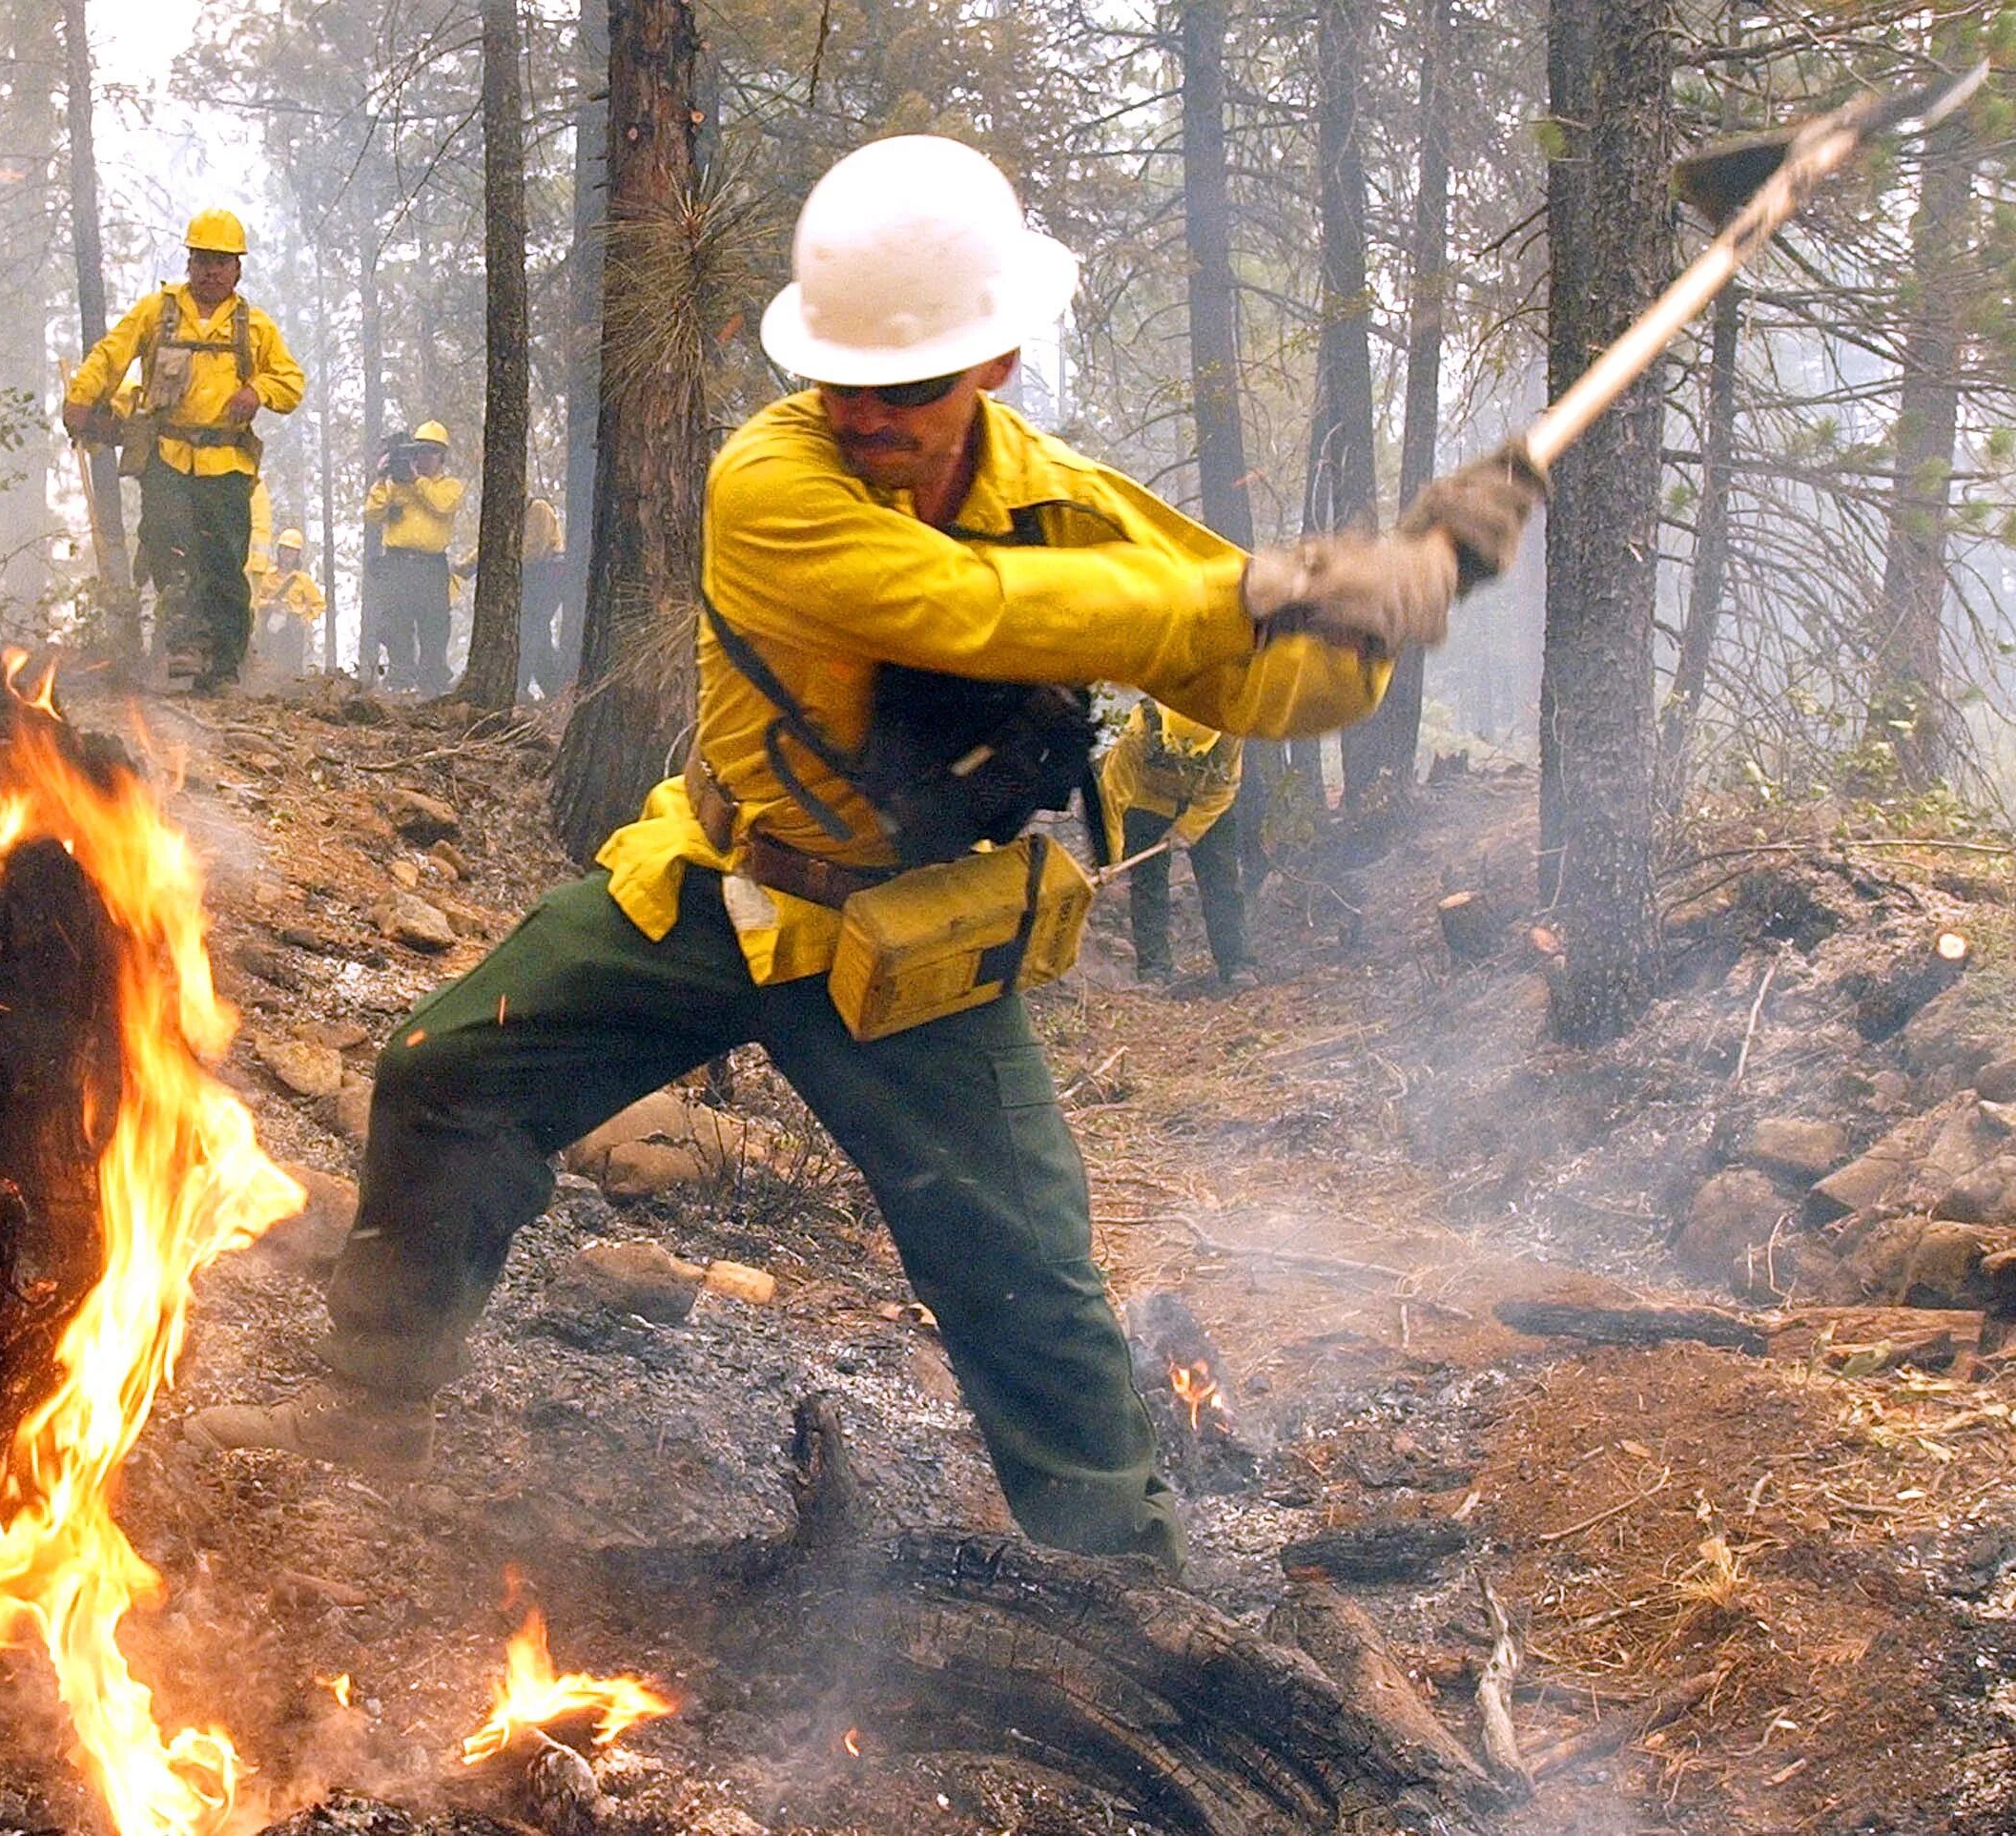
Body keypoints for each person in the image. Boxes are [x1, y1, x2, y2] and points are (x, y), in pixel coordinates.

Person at [186, 134, 1544, 1576]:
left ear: (995, 364)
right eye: (836, 374)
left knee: (1029, 1279)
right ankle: (371, 1413)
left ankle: (1124, 1583)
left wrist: (1379, 609)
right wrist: (1255, 586)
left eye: (903, 388)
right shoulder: (769, 482)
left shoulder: (1066, 508)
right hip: (716, 890)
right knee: (444, 1076)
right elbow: (966, 609)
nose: (864, 412)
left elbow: (1268, 680)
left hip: (911, 954)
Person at [62, 209, 307, 693]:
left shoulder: (254, 328)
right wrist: (82, 395)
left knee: (222, 562)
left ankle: (224, 664)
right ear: (189, 262)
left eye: (221, 261)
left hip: (226, 465)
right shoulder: (158, 312)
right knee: (167, 546)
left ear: (238, 268)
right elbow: (112, 353)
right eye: (202, 260)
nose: (211, 271)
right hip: (167, 456)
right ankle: (184, 647)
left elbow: (291, 381)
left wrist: (257, 392)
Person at [1101, 701, 1251, 986]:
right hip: (1149, 798)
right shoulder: (1139, 729)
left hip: (1206, 801)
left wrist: (1187, 829)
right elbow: (1111, 793)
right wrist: (1110, 853)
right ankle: (1154, 971)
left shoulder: (1230, 728)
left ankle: (1236, 963)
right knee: (1148, 884)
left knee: (1222, 881)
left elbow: (1224, 787)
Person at [363, 422, 463, 693]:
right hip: (397, 563)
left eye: (431, 451)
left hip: (431, 566)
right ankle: (400, 679)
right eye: (419, 451)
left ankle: (432, 682)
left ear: (442, 456)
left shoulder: (449, 486)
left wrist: (417, 481)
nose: (424, 457)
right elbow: (372, 514)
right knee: (396, 623)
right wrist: (382, 477)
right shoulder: (396, 484)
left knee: (435, 625)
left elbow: (442, 505)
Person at [249, 527, 328, 684]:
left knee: (292, 663)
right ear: (279, 551)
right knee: (267, 658)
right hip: (268, 624)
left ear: (298, 554)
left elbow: (319, 603)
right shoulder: (267, 576)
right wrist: (270, 604)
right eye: (285, 550)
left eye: (292, 551)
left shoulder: (303, 580)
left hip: (293, 626)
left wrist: (305, 619)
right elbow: (254, 599)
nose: (287, 555)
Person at [519, 493, 571, 700]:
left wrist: (505, 560)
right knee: (537, 634)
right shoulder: (519, 515)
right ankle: (555, 690)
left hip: (547, 574)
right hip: (534, 576)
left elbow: (534, 549)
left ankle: (519, 684)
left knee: (529, 628)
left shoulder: (538, 508)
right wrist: (465, 566)